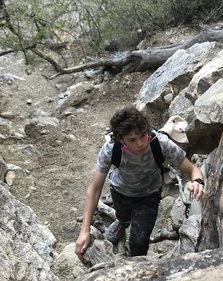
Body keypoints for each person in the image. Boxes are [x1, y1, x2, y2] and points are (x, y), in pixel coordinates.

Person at [75, 106, 205, 260]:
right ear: (120, 139)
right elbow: (94, 189)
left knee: (139, 243)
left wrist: (197, 181)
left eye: (143, 135)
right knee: (123, 216)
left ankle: (136, 263)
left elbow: (192, 169)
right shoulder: (111, 149)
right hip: (120, 191)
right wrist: (84, 231)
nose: (140, 143)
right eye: (132, 140)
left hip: (149, 195)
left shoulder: (160, 143)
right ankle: (122, 223)